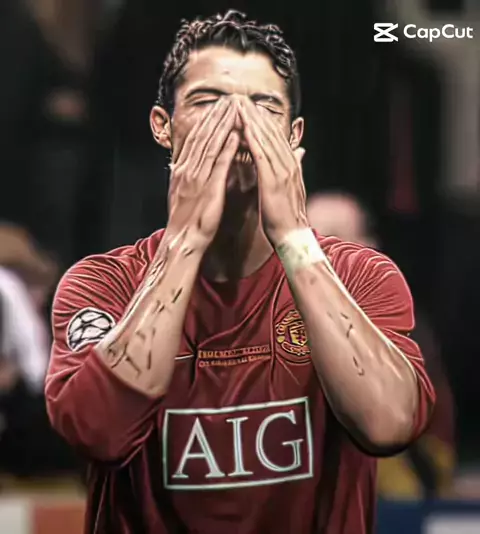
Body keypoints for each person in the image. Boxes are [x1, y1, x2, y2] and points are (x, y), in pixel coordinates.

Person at [46, 11, 435, 534]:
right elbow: (98, 433)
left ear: (294, 136)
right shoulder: (102, 285)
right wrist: (185, 239)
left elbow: (389, 426)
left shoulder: (358, 274)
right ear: (163, 127)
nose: (237, 126)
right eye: (208, 102)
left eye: (263, 106)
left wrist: (294, 237)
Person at [307, 191, 455, 499]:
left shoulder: (397, 315)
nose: (317, 251)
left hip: (403, 474)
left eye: (333, 237)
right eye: (308, 237)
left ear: (369, 247)